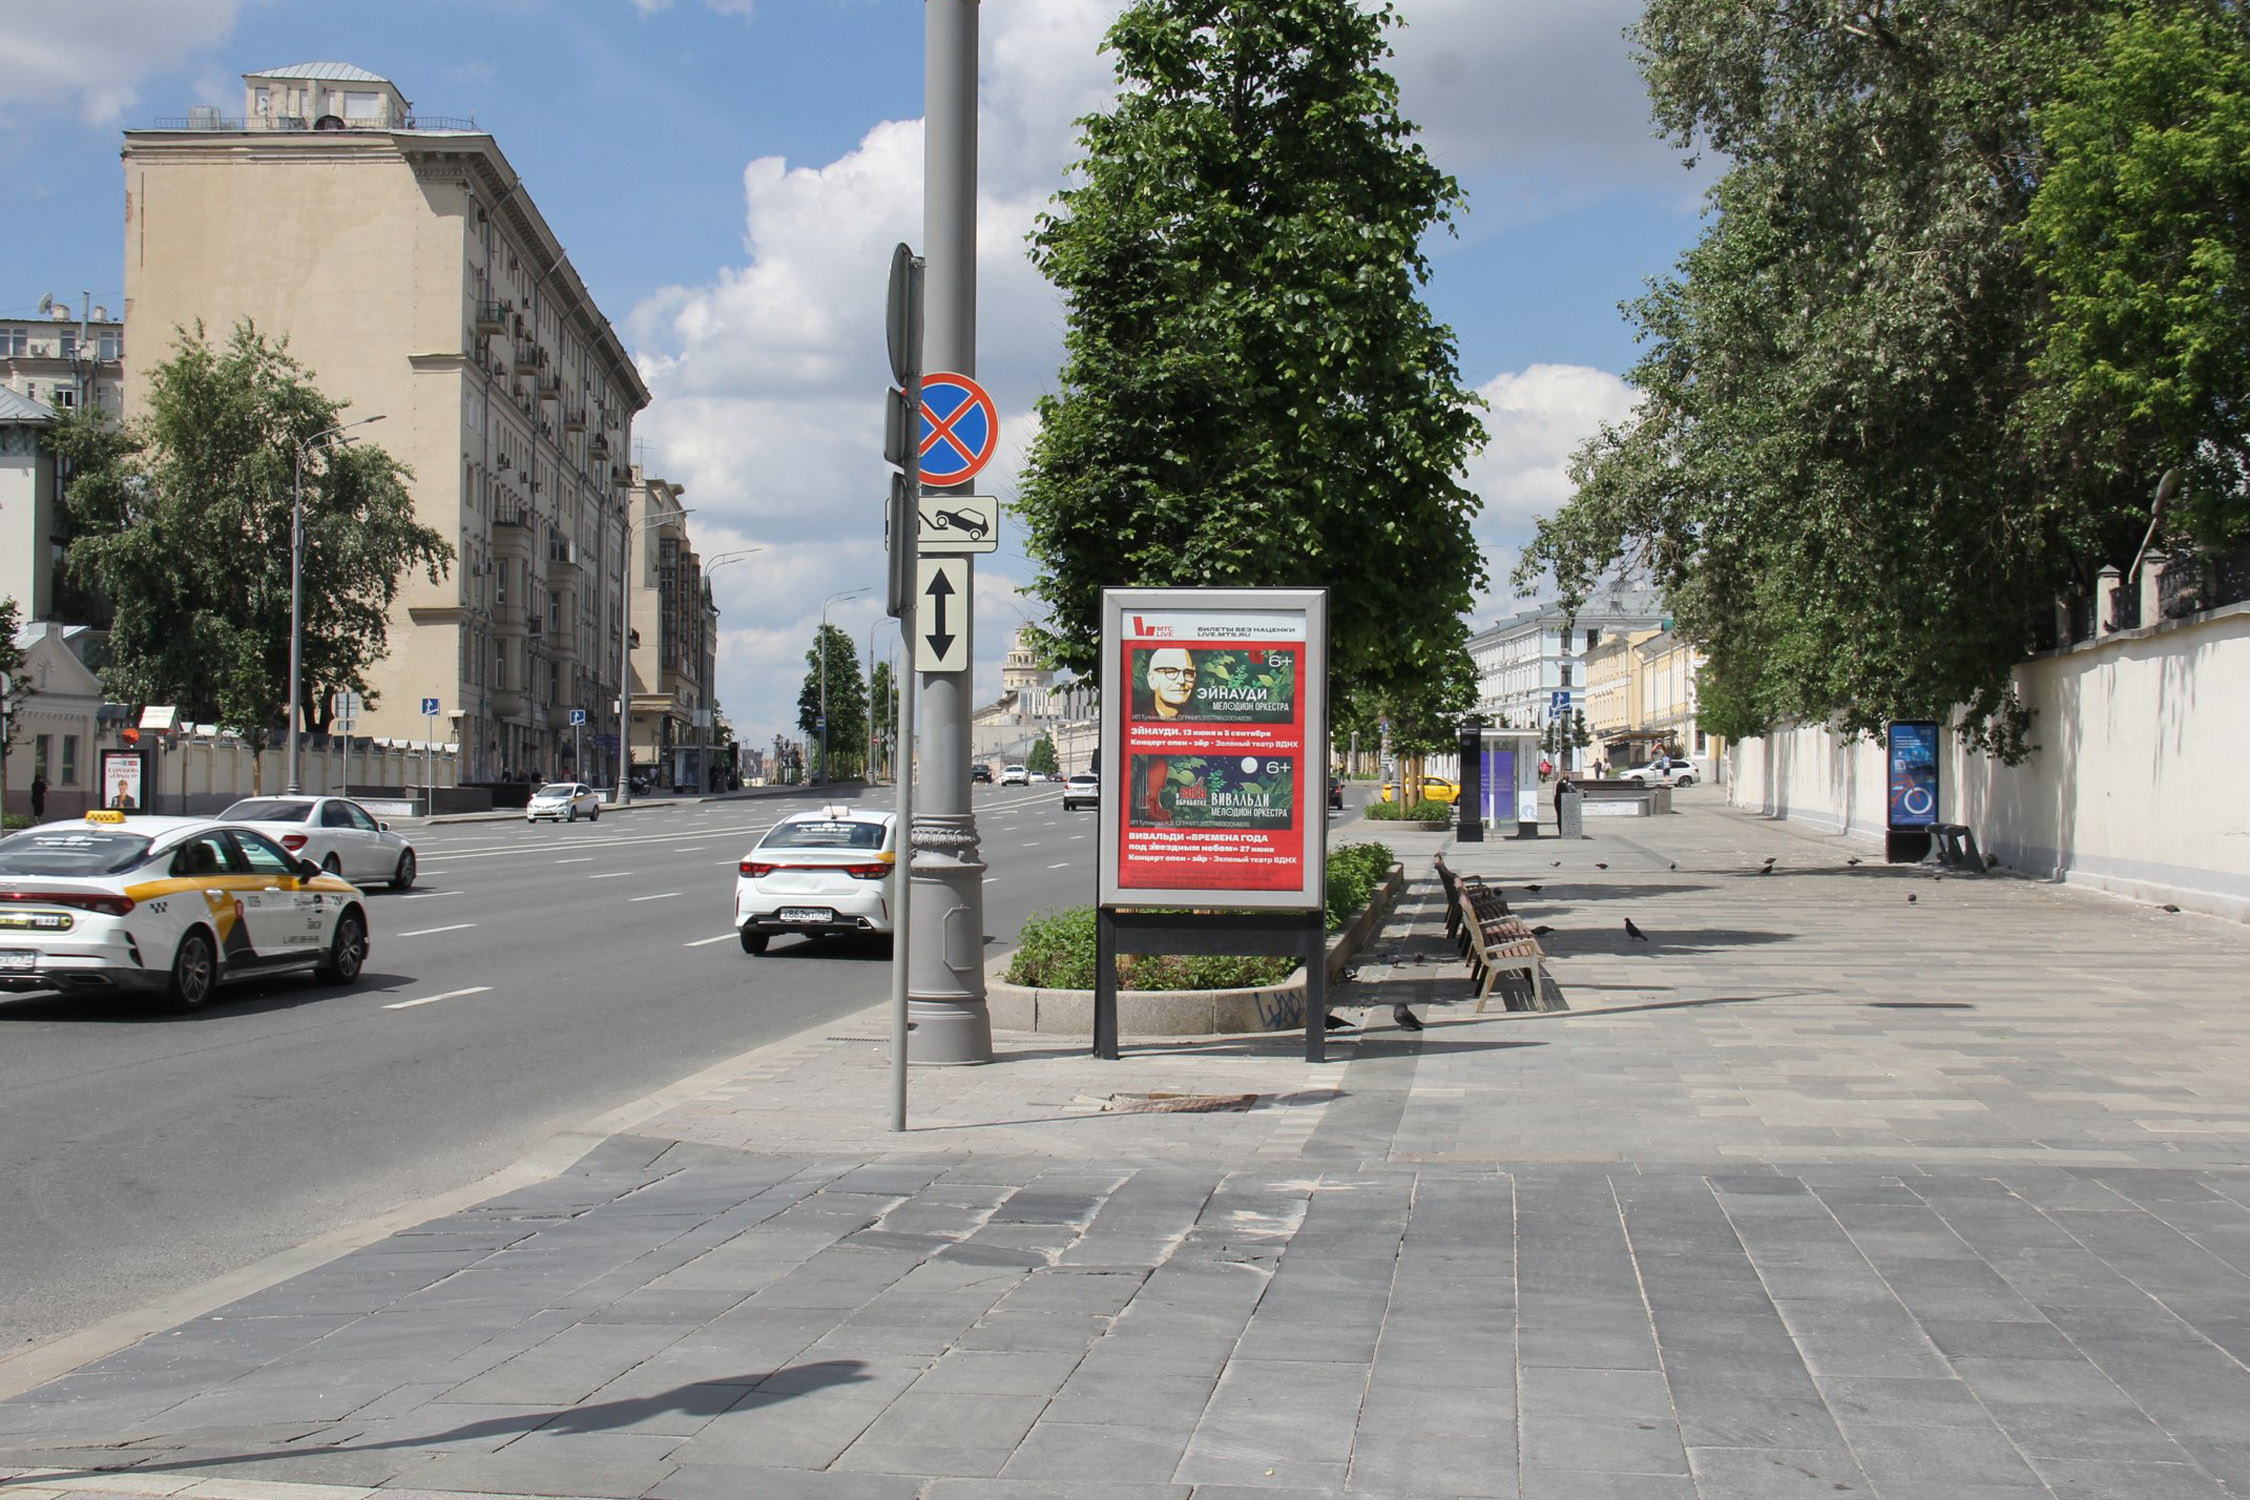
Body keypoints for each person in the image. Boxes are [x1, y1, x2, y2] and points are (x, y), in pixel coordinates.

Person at [1143, 648, 1199, 720]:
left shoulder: (1200, 719)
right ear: (1152, 679)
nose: (1181, 681)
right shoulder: (1137, 715)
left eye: (1188, 673)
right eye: (1171, 671)